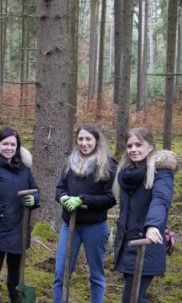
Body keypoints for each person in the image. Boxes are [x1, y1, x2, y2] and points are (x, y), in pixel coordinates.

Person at [51, 124, 117, 303]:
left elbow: (110, 198)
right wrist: (63, 198)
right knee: (61, 273)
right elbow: (60, 188)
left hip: (95, 227)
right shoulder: (70, 162)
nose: (84, 143)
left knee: (96, 274)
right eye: (80, 139)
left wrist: (82, 199)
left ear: (96, 140)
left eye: (88, 139)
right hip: (69, 226)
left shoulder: (108, 164)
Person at [113, 127, 178, 303]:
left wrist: (153, 225)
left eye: (138, 145)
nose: (133, 149)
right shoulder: (126, 174)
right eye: (130, 145)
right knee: (132, 298)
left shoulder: (161, 172)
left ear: (150, 147)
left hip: (146, 243)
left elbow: (161, 199)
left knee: (131, 299)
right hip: (128, 245)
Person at [0, 127, 40, 303]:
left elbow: (36, 191)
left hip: (19, 228)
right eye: (5, 144)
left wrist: (34, 199)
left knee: (15, 272)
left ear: (17, 146)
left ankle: (16, 299)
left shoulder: (24, 169)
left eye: (13, 144)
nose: (9, 148)